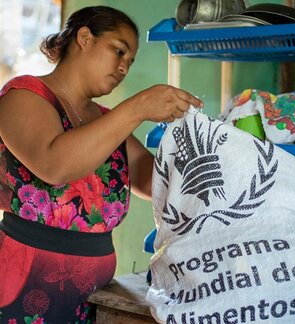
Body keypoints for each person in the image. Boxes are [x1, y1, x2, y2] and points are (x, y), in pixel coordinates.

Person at [0, 5, 203, 323]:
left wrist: (199, 151)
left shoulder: (107, 121)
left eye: (130, 61)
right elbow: (55, 165)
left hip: (94, 287)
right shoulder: (24, 96)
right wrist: (137, 107)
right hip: (26, 281)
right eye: (119, 51)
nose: (124, 67)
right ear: (84, 38)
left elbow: (150, 180)